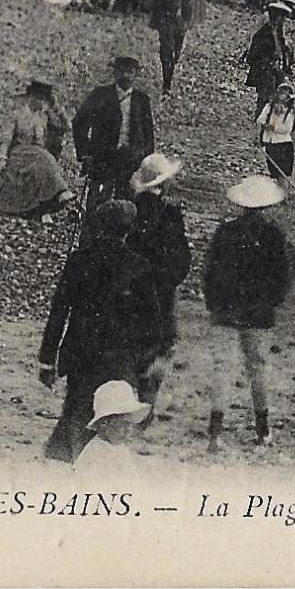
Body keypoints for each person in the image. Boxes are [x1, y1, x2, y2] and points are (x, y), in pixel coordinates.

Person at [39, 199, 167, 462]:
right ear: (129, 230)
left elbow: (59, 312)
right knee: (111, 419)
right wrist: (144, 362)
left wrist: (47, 360)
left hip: (80, 355)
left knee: (77, 412)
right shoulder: (138, 265)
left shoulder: (79, 260)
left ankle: (68, 464)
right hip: (119, 358)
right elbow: (153, 322)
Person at [202, 174, 290, 450]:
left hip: (227, 310)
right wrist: (267, 303)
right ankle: (262, 428)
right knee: (258, 369)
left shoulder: (226, 232)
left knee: (222, 368)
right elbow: (281, 280)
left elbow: (210, 273)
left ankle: (216, 430)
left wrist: (216, 303)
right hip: (258, 314)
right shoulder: (274, 235)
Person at [128, 152, 191, 409]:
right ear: (163, 184)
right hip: (161, 292)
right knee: (161, 343)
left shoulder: (129, 211)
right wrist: (169, 280)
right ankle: (148, 399)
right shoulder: (171, 215)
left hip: (131, 291)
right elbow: (182, 261)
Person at [71, 56, 156, 215]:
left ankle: (119, 238)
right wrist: (86, 153)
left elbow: (148, 135)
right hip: (103, 159)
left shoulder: (142, 100)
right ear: (115, 73)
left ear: (136, 75)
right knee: (97, 204)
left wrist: (146, 161)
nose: (126, 76)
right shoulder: (100, 95)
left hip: (131, 161)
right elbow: (79, 123)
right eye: (121, 71)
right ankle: (92, 236)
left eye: (130, 72)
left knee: (127, 207)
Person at [0, 80, 75, 222]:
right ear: (32, 97)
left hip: (38, 156)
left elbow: (66, 126)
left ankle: (42, 210)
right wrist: (1, 158)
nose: (42, 103)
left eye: (45, 100)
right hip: (19, 154)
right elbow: (6, 139)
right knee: (44, 159)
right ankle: (61, 191)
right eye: (40, 99)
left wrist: (55, 107)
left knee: (42, 163)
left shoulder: (43, 116)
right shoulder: (18, 114)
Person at [74, 380, 152, 475]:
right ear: (104, 424)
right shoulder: (95, 455)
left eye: (131, 424)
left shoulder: (121, 449)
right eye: (124, 424)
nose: (128, 429)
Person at [244, 0, 294, 118]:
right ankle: (259, 117)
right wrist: (267, 63)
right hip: (264, 70)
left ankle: (270, 118)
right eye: (278, 17)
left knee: (277, 94)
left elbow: (282, 49)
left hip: (276, 69)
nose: (280, 20)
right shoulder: (264, 34)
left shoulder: (278, 32)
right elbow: (253, 56)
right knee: (265, 96)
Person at [151, 0, 192, 95]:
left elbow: (188, 9)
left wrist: (186, 22)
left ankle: (169, 77)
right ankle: (166, 84)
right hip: (167, 22)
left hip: (179, 24)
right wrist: (159, 23)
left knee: (176, 54)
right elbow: (157, 6)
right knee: (167, 52)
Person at [255, 81, 295, 181]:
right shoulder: (269, 107)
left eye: (287, 94)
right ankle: (277, 194)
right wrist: (259, 135)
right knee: (274, 173)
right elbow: (260, 120)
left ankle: (284, 194)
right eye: (282, 93)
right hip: (271, 143)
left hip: (284, 145)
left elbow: (287, 128)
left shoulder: (290, 111)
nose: (284, 96)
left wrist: (273, 127)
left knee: (283, 174)